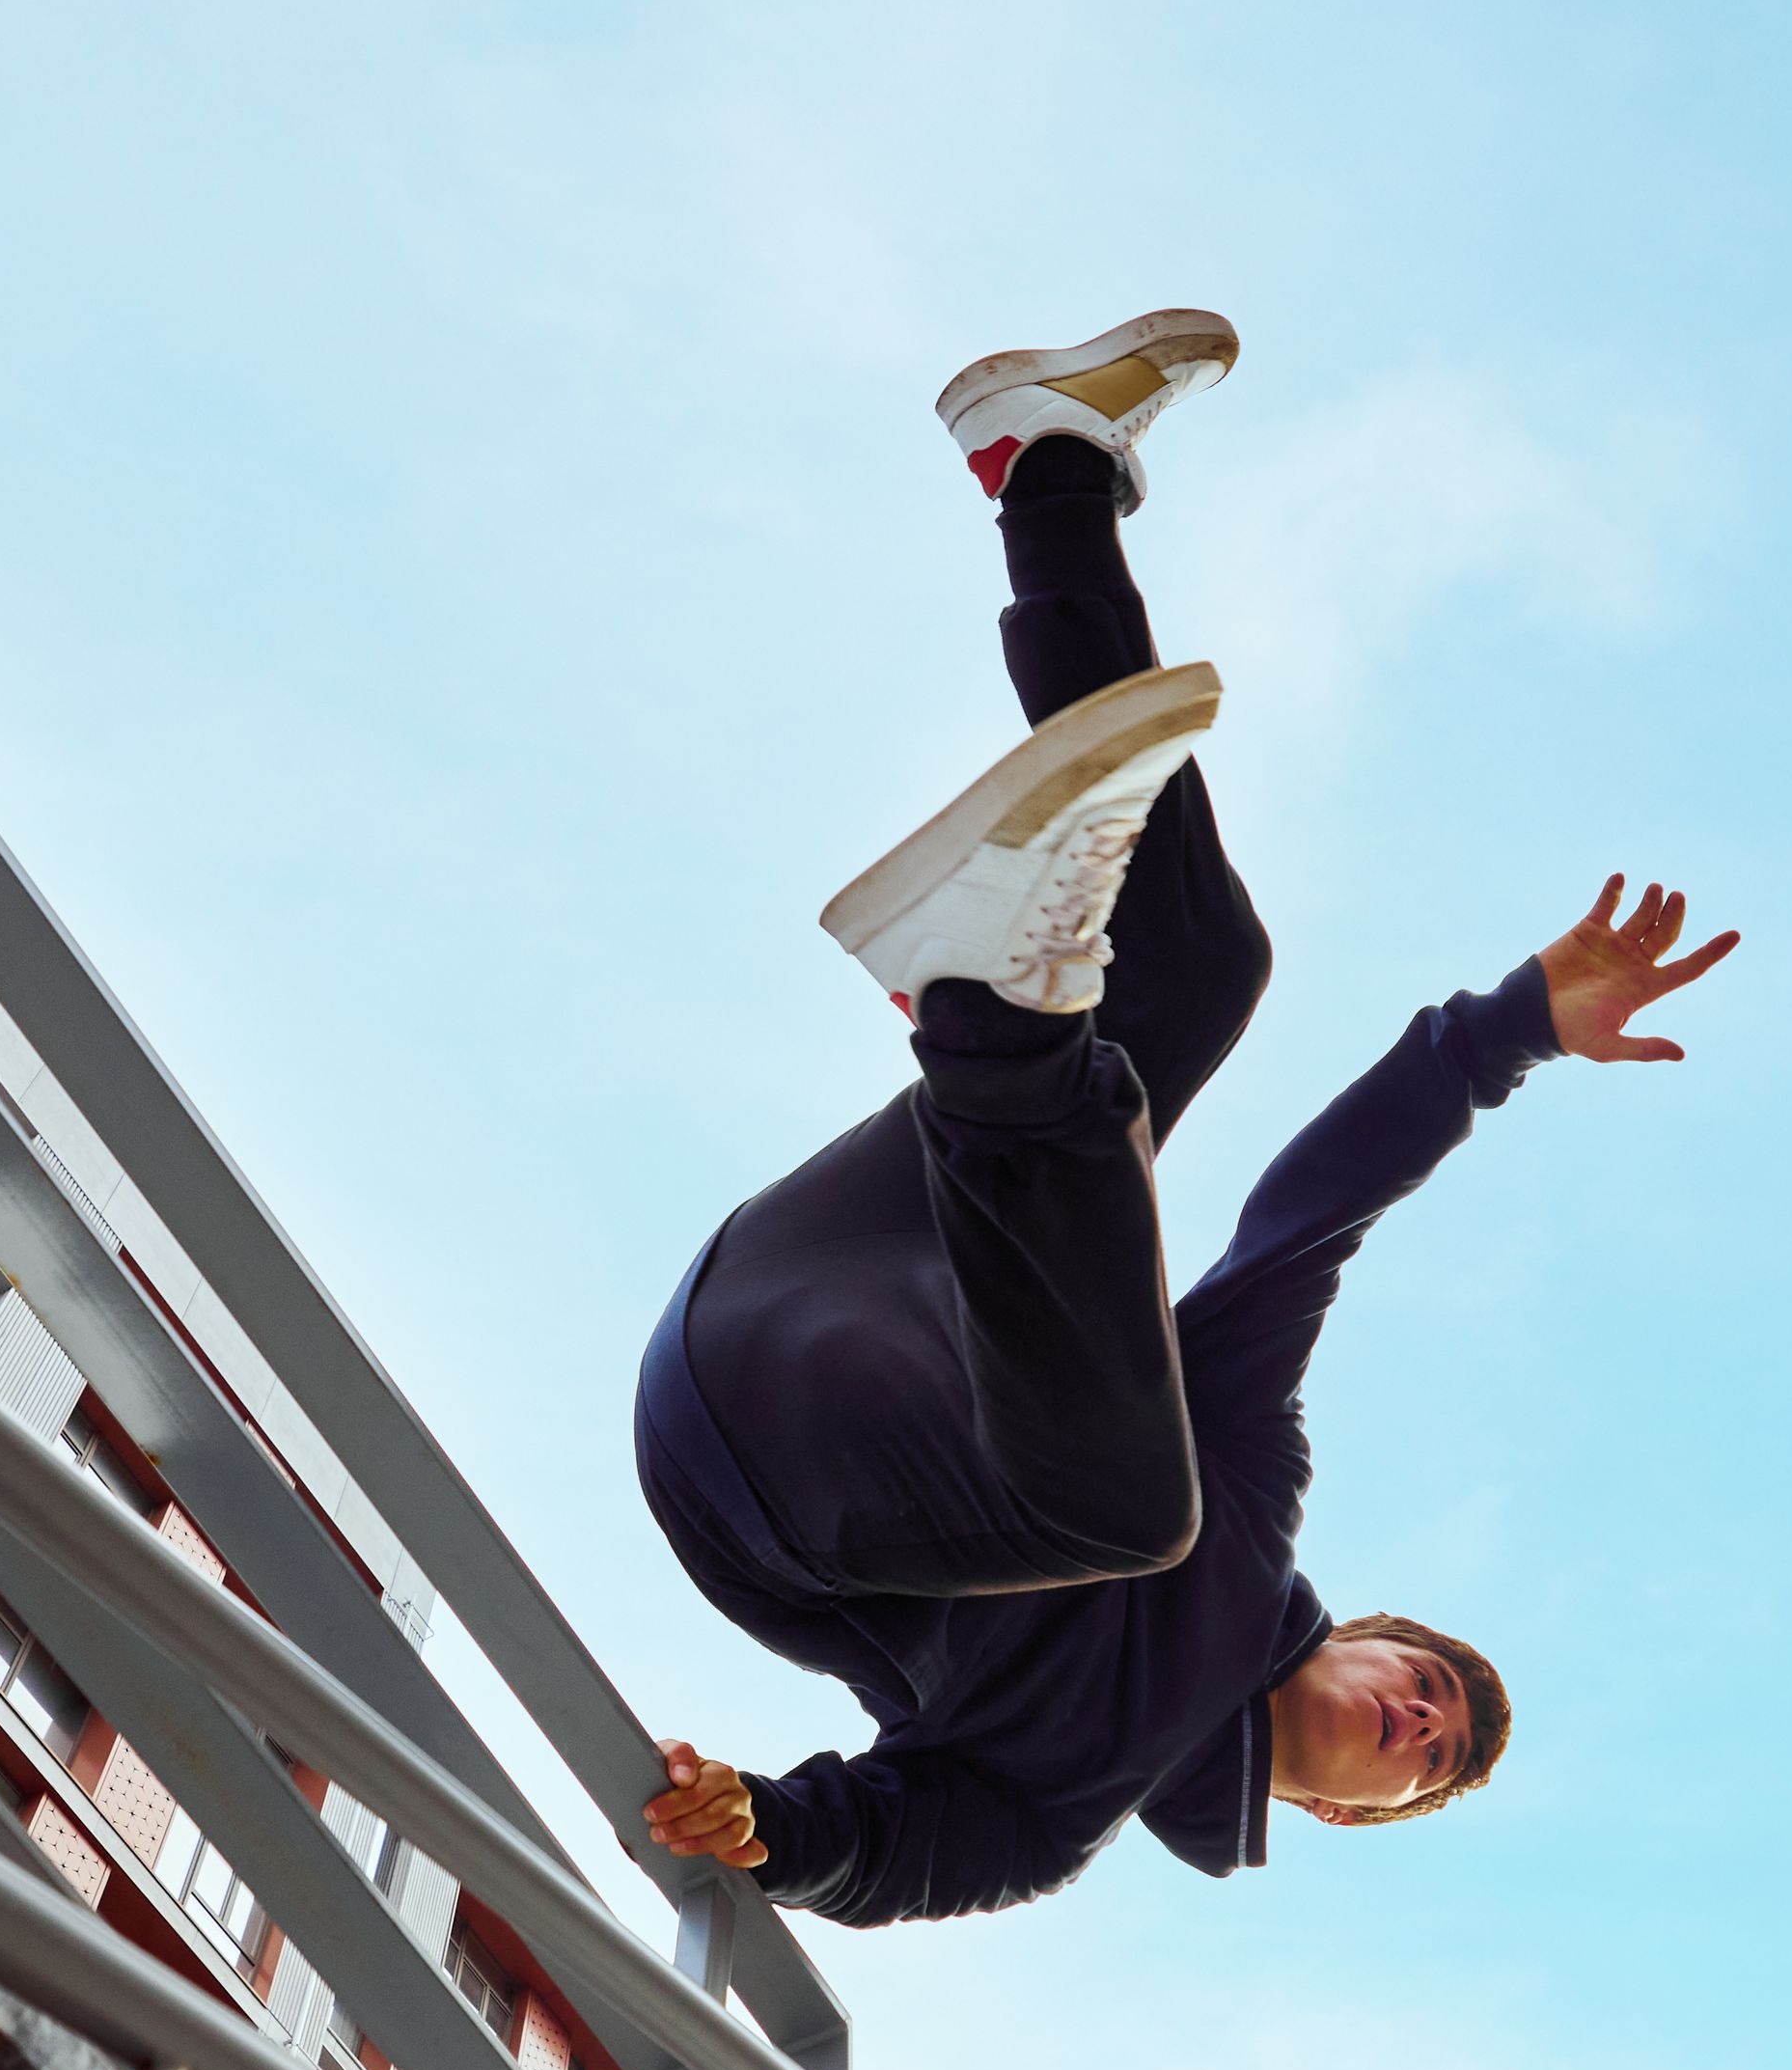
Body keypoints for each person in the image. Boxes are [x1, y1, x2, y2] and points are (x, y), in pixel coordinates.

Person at [630, 310, 1727, 1927]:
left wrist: (767, 1834)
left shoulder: (1063, 1809)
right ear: (1363, 1633)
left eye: (1422, 1759)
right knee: (1203, 964)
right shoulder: (1249, 1487)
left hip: (759, 1470)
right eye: (1422, 1681)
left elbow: (888, 1845)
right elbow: (1311, 1222)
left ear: (1338, 1811)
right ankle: (1050, 473)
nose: (1416, 1718)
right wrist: (1506, 1034)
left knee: (1123, 1508)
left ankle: (991, 1020)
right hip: (839, 1278)